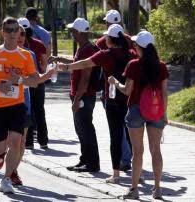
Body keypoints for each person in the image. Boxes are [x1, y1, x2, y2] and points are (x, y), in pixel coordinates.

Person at [58, 24, 136, 182]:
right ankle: (137, 172)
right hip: (130, 99)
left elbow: (85, 63)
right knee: (133, 138)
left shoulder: (107, 54)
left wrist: (67, 67)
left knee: (116, 136)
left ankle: (115, 174)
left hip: (113, 101)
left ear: (109, 39)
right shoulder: (131, 54)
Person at [0, 17, 42, 194]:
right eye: (9, 30)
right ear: (2, 32)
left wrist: (20, 80)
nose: (13, 34)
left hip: (17, 105)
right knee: (1, 148)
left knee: (16, 142)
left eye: (16, 30)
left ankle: (6, 179)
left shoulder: (26, 55)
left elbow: (35, 81)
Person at [108, 30, 168, 199]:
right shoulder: (161, 66)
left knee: (137, 151)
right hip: (155, 111)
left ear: (139, 47)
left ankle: (134, 189)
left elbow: (127, 91)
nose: (133, 46)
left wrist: (115, 82)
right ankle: (157, 189)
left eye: (135, 44)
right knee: (156, 150)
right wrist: (164, 114)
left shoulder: (134, 65)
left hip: (135, 109)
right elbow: (164, 93)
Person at [50, 18, 100, 172]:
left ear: (78, 32)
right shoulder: (84, 48)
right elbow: (76, 62)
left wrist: (77, 99)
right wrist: (59, 59)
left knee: (85, 129)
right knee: (81, 129)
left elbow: (85, 78)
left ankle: (92, 163)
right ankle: (84, 159)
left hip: (84, 96)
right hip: (81, 95)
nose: (71, 34)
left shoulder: (88, 49)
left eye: (72, 31)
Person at [96, 9, 133, 172]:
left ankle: (123, 161)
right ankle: (129, 157)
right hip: (129, 91)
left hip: (111, 91)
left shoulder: (102, 42)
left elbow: (92, 64)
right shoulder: (130, 42)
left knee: (116, 131)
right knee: (128, 128)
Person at [18, 17, 49, 149]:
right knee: (39, 110)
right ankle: (43, 141)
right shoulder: (38, 43)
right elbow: (44, 63)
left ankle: (29, 142)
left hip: (28, 82)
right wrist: (42, 71)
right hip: (37, 81)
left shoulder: (20, 49)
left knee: (28, 111)